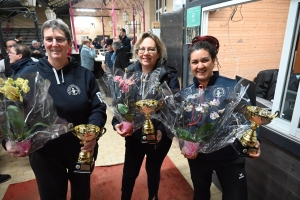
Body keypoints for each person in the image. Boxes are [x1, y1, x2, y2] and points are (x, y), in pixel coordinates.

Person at [3, 19, 107, 200]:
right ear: (43, 42)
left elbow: (98, 107)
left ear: (69, 42)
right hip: (45, 154)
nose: (54, 44)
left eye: (59, 39)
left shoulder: (84, 75)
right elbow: (11, 113)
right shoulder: (27, 75)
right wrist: (7, 141)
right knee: (51, 196)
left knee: (82, 193)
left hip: (81, 149)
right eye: (49, 39)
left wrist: (93, 133)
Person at [181, 35, 261, 200]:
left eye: (205, 60)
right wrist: (184, 144)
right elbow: (181, 125)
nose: (200, 66)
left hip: (230, 158)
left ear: (214, 61)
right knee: (200, 195)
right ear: (190, 65)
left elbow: (249, 119)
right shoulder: (186, 94)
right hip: (199, 159)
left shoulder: (233, 87)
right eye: (195, 62)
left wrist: (255, 140)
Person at [112, 31, 180, 200]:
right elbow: (120, 104)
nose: (146, 53)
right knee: (129, 172)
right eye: (142, 49)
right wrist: (117, 122)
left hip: (159, 137)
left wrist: (163, 131)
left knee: (153, 170)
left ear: (159, 53)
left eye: (151, 49)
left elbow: (174, 109)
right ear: (137, 52)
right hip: (134, 135)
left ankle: (153, 196)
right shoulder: (128, 74)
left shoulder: (169, 76)